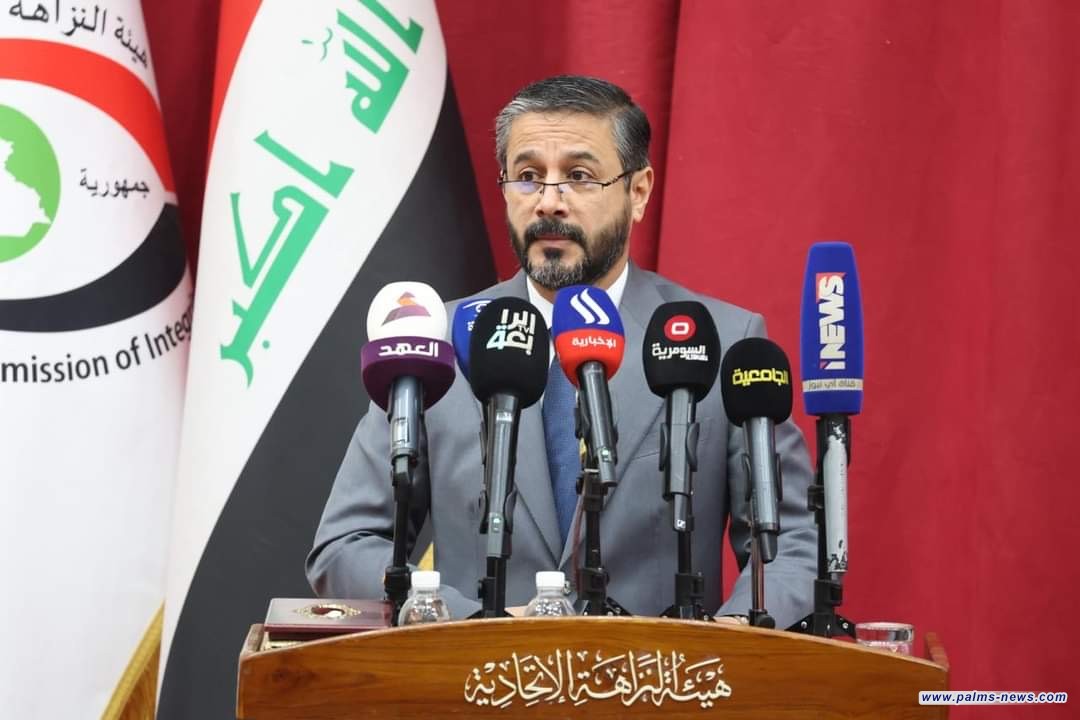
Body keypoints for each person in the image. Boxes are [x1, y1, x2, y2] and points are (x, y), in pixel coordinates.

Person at [307, 75, 816, 626]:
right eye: (528, 177)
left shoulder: (721, 340)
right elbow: (345, 544)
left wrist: (727, 643)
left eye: (578, 176)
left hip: (659, 676)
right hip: (476, 671)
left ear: (638, 191)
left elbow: (791, 544)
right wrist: (465, 621)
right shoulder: (436, 341)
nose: (549, 202)